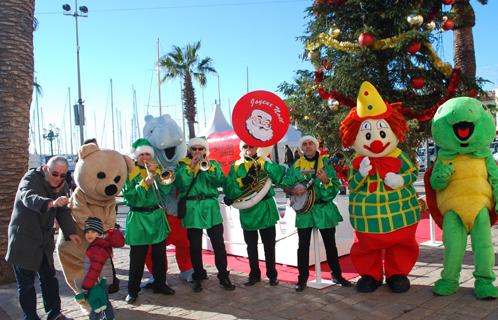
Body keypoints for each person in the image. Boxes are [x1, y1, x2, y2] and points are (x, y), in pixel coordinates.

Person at [5, 156, 82, 320]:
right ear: (46, 169)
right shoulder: (30, 178)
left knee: (49, 279)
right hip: (23, 239)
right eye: (55, 174)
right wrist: (52, 203)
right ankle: (30, 317)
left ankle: (54, 313)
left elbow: (63, 211)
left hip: (44, 242)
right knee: (26, 285)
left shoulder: (62, 185)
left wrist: (71, 232)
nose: (59, 179)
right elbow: (28, 197)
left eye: (63, 175)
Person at [282, 135, 352, 292]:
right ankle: (302, 279)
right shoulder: (296, 166)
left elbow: (334, 188)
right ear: (302, 148)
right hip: (305, 213)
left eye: (310, 144)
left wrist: (326, 180)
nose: (308, 146)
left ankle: (337, 275)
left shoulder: (326, 164)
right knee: (303, 246)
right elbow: (285, 185)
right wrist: (293, 190)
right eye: (305, 144)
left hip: (323, 210)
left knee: (330, 245)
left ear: (316, 146)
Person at [175, 136, 235, 293]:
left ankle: (223, 275)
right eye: (194, 149)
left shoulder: (213, 164)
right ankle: (199, 276)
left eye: (200, 149)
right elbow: (180, 184)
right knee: (194, 246)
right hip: (192, 208)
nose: (197, 151)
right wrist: (191, 168)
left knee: (218, 244)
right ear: (189, 150)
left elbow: (220, 181)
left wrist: (207, 169)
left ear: (205, 150)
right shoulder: (182, 166)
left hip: (210, 207)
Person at [224, 142, 287, 287]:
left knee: (269, 245)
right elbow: (229, 188)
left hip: (265, 208)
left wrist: (265, 164)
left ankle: (272, 275)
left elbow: (279, 176)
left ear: (256, 147)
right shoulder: (236, 166)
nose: (248, 149)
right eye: (245, 146)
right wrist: (243, 182)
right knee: (251, 246)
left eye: (251, 146)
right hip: (248, 211)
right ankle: (254, 275)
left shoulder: (264, 160)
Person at [122, 138, 175, 304]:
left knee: (160, 254)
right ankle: (132, 290)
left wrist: (158, 178)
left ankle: (160, 284)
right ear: (136, 157)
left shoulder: (157, 169)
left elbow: (165, 190)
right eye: (141, 154)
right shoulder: (128, 173)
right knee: (137, 257)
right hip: (138, 218)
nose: (145, 157)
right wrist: (146, 182)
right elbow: (130, 197)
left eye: (147, 154)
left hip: (156, 216)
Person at [80, 137, 120, 294]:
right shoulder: (84, 172)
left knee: (105, 255)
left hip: (104, 224)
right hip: (90, 227)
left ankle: (109, 282)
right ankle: (91, 287)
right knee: (92, 259)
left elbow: (111, 201)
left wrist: (110, 224)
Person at [76, 217, 124, 320]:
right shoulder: (98, 244)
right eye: (87, 232)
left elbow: (95, 270)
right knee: (104, 300)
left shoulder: (96, 248)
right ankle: (110, 317)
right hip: (102, 280)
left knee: (96, 303)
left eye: (93, 231)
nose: (89, 234)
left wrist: (86, 286)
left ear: (99, 233)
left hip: (98, 282)